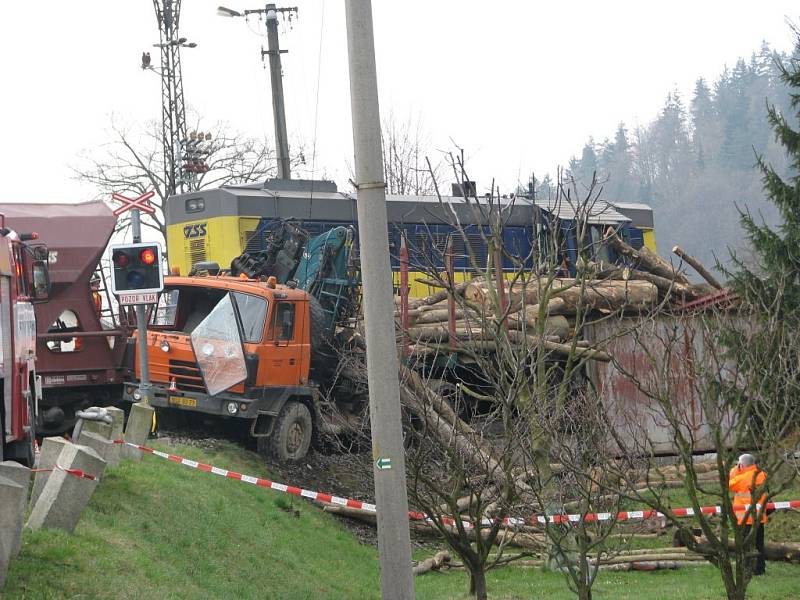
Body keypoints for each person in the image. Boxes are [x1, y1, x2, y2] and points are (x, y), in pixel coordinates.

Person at [728, 453, 767, 576]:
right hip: (759, 517)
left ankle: (747, 569)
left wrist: (735, 470)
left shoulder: (741, 478)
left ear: (742, 465)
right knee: (759, 544)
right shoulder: (762, 475)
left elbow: (728, 484)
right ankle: (760, 569)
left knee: (745, 546)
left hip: (744, 519)